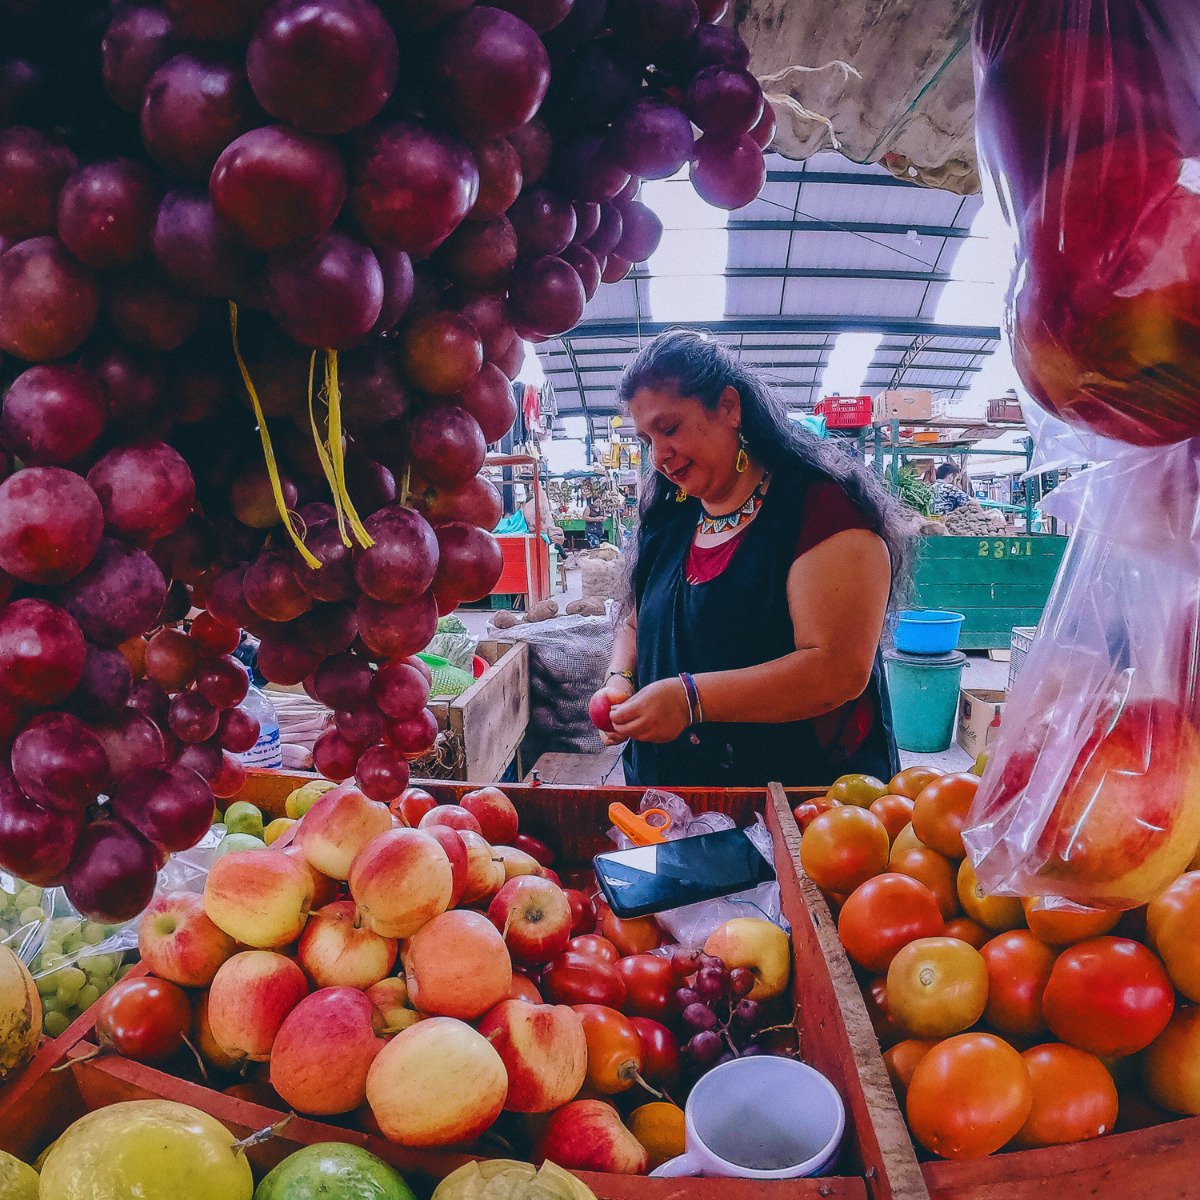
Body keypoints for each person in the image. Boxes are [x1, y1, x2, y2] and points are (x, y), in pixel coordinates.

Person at [589, 330, 911, 787]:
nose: (658, 456)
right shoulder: (670, 513)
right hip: (670, 802)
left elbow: (836, 670)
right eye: (646, 439)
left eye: (670, 428)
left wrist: (689, 701)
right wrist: (620, 678)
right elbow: (637, 616)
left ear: (729, 407)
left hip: (797, 809)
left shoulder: (821, 510)